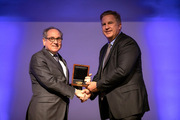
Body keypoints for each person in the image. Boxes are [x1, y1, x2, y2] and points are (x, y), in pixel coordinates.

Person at [85, 10, 150, 120]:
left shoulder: (128, 43)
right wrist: (90, 91)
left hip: (128, 105)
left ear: (119, 26)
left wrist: (97, 86)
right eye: (103, 24)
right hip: (114, 107)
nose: (106, 27)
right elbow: (101, 74)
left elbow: (122, 71)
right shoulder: (104, 49)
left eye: (110, 23)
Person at [26, 27, 88, 120]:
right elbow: (50, 82)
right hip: (44, 112)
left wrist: (80, 85)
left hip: (60, 111)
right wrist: (75, 92)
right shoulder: (38, 57)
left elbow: (62, 84)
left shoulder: (61, 60)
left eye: (58, 39)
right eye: (51, 38)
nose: (55, 42)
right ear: (44, 41)